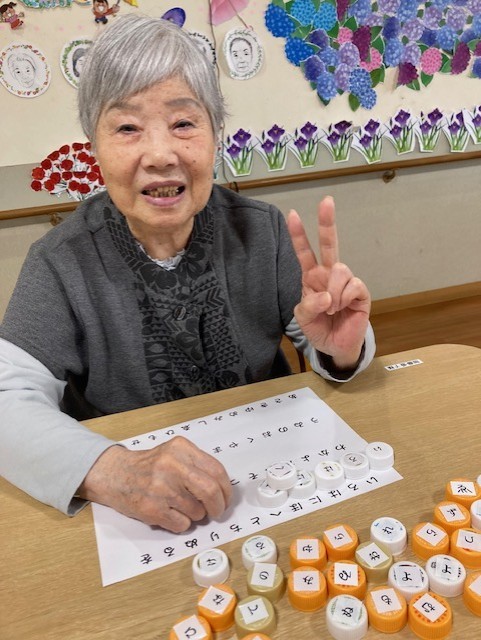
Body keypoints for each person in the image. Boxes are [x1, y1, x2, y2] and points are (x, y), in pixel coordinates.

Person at [0, 14, 375, 534]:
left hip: (270, 477)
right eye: (127, 128)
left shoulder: (262, 230)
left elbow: (323, 345)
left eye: (183, 123)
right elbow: (7, 401)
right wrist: (115, 472)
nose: (160, 155)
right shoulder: (61, 261)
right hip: (138, 516)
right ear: (94, 147)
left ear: (215, 135)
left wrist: (339, 350)